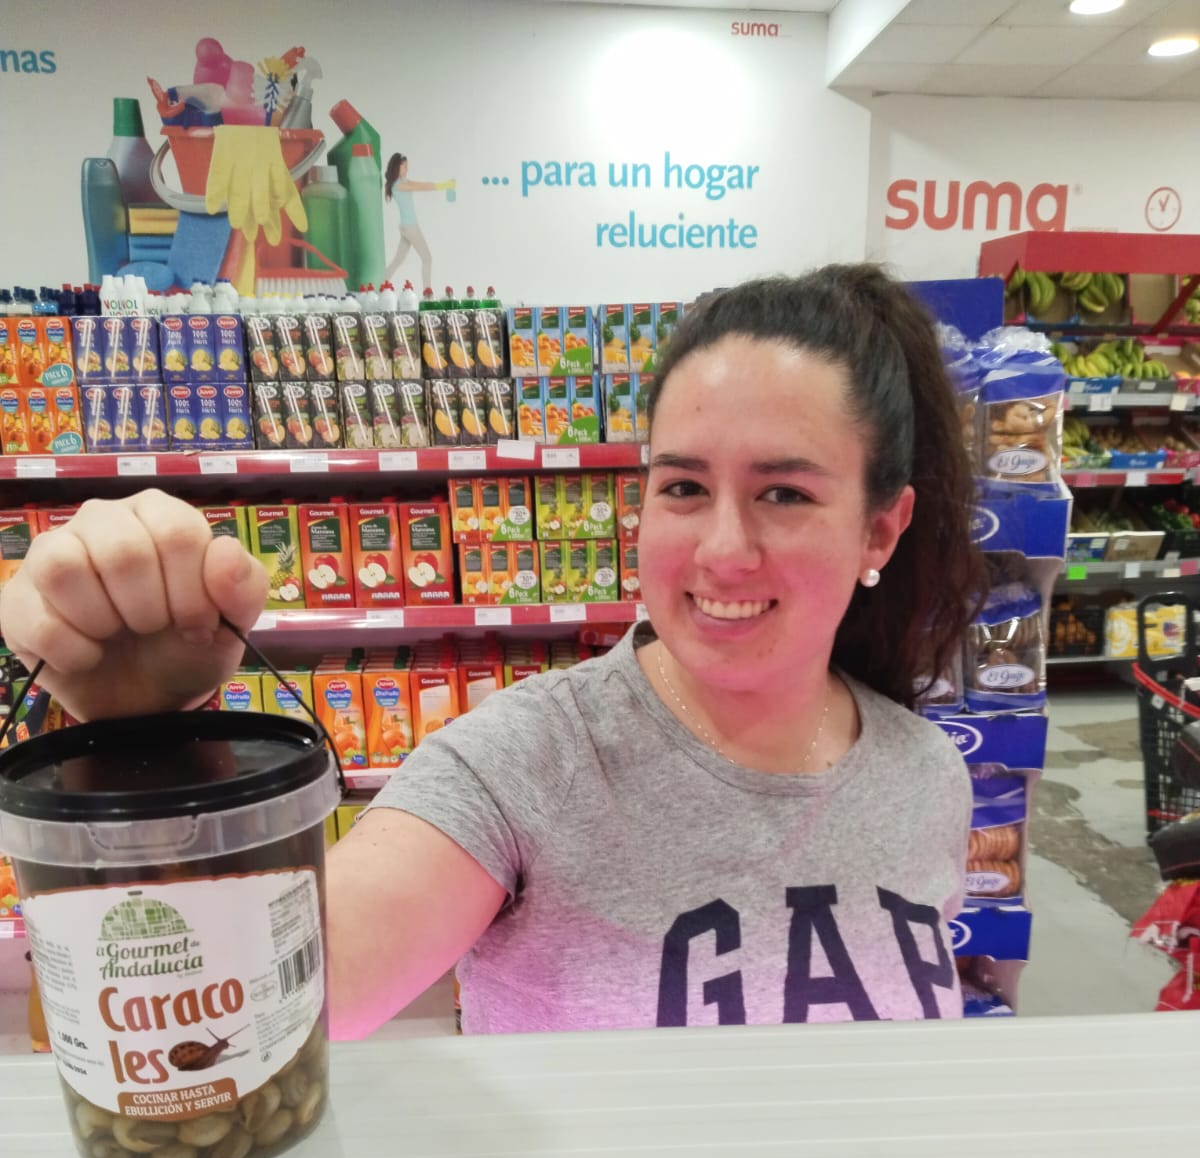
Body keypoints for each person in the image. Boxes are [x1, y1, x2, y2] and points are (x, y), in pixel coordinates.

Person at [1, 266, 983, 1040]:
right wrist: (145, 753)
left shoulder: (927, 776)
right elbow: (251, 1012)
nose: (722, 548)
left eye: (785, 493)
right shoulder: (521, 762)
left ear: (881, 530)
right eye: (683, 487)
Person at [383, 152, 449, 291]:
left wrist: (441, 185)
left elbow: (420, 184)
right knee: (427, 258)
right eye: (404, 167)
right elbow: (421, 187)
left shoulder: (403, 181)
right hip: (411, 228)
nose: (407, 169)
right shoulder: (397, 186)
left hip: (406, 227)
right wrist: (443, 186)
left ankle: (380, 285)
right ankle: (427, 291)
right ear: (397, 167)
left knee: (398, 260)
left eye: (407, 167)